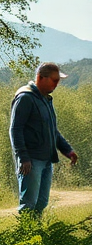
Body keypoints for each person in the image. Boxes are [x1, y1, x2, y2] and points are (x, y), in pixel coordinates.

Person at [10, 62, 80, 215]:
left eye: (58, 81)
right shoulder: (25, 97)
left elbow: (52, 131)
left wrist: (68, 151)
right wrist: (23, 157)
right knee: (28, 204)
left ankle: (37, 229)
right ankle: (26, 230)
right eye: (54, 80)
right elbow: (15, 130)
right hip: (31, 160)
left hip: (47, 160)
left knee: (41, 202)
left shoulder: (45, 99)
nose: (56, 84)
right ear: (40, 77)